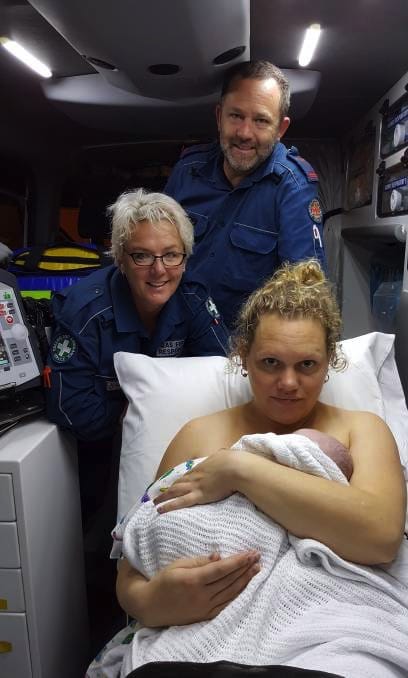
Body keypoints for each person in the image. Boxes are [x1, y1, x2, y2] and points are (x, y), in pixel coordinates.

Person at [100, 259, 406, 678]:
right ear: (243, 357)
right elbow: (132, 569)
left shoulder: (362, 430)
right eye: (270, 363)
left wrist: (238, 470)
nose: (288, 383)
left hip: (329, 630)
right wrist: (158, 600)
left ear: (330, 361)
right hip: (203, 636)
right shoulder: (197, 436)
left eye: (307, 365)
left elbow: (381, 537)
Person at [45, 188, 229, 443]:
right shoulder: (84, 313)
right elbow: (71, 408)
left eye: (171, 254)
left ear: (185, 259)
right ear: (120, 259)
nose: (159, 270)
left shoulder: (193, 298)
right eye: (141, 256)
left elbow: (222, 377)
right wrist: (144, 415)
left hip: (181, 434)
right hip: (102, 445)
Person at [165, 60, 326, 329]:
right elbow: (153, 255)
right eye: (236, 116)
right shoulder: (187, 171)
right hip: (175, 335)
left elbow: (305, 297)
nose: (244, 133)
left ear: (281, 129)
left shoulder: (293, 187)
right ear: (219, 117)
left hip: (241, 349)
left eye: (261, 120)